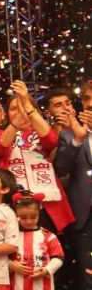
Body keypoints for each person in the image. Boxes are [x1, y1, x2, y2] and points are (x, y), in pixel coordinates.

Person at [0, 80, 75, 233]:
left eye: (24, 106)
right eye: (13, 109)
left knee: (48, 244)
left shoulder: (42, 131)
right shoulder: (0, 133)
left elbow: (51, 141)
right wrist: (18, 119)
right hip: (14, 201)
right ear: (7, 113)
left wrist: (27, 104)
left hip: (47, 201)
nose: (20, 111)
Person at [54, 80, 92, 289]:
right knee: (87, 276)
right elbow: (60, 168)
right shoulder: (69, 133)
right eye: (86, 98)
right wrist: (77, 139)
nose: (90, 103)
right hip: (84, 216)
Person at [9, 191, 64, 290]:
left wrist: (47, 270)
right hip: (17, 285)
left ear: (39, 214)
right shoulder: (12, 235)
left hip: (43, 286)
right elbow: (2, 258)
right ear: (16, 215)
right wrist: (12, 265)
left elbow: (58, 257)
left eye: (34, 217)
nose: (29, 221)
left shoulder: (48, 236)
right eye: (23, 218)